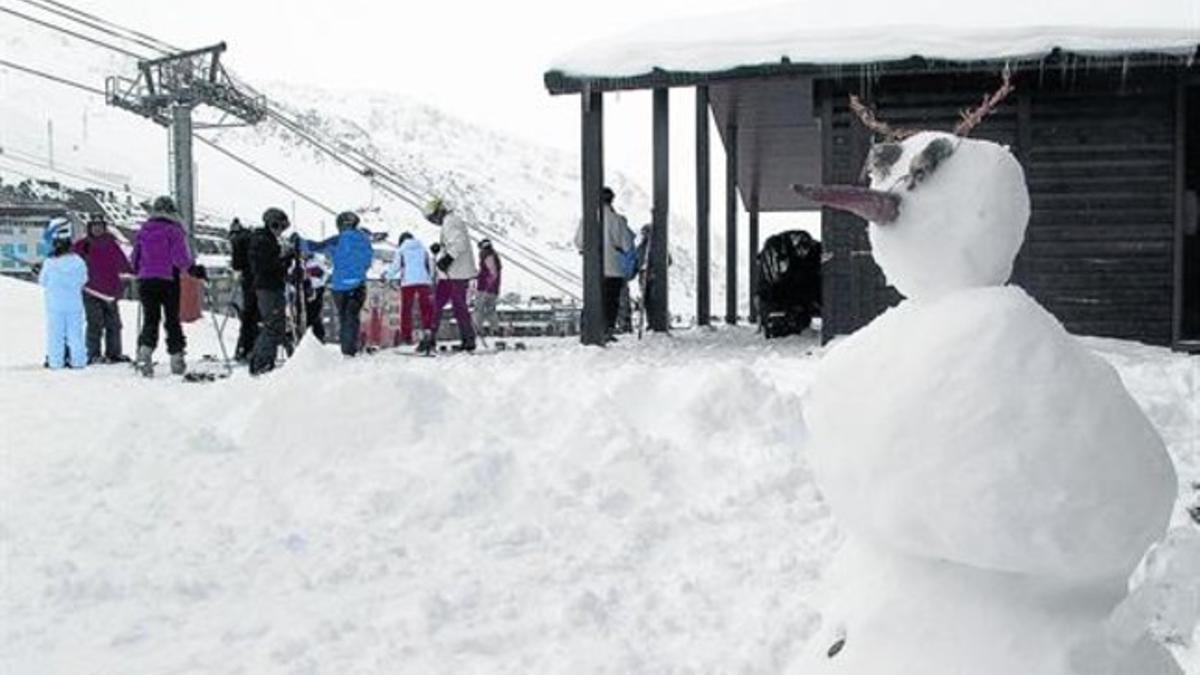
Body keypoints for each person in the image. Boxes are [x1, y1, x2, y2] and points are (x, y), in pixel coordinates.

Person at [131, 196, 199, 376]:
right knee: (172, 320)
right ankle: (177, 358)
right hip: (168, 280)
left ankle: (144, 354)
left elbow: (134, 258)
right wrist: (192, 268)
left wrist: (139, 271)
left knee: (150, 319)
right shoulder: (174, 230)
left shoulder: (143, 230)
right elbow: (180, 258)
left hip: (146, 280)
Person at [300, 211, 374, 356]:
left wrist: (298, 241)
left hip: (339, 286)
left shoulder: (336, 240)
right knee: (352, 318)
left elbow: (314, 246)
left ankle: (347, 348)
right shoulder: (365, 240)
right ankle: (350, 350)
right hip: (358, 285)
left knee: (343, 317)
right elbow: (367, 262)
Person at [574, 186, 634, 341]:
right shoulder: (618, 220)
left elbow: (579, 242)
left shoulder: (587, 219)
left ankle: (588, 329)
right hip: (613, 269)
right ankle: (607, 329)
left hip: (593, 269)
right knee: (610, 301)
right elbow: (627, 245)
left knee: (592, 300)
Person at [73, 215, 133, 363]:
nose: (97, 228)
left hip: (110, 291)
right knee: (95, 323)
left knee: (114, 324)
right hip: (90, 290)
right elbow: (69, 261)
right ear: (90, 227)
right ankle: (93, 354)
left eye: (100, 225)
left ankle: (114, 353)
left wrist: (136, 272)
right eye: (94, 225)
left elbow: (123, 263)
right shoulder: (82, 245)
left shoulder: (112, 244)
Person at [421, 197, 477, 354]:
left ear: (438, 212)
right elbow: (454, 243)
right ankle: (468, 340)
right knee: (457, 308)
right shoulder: (451, 221)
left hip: (454, 274)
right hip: (454, 274)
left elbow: (459, 244)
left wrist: (447, 259)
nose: (433, 221)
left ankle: (430, 340)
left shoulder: (450, 222)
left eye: (433, 218)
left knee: (439, 306)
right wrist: (441, 248)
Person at [247, 207, 294, 375]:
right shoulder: (264, 241)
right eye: (280, 226)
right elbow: (269, 266)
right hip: (269, 287)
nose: (281, 231)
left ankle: (263, 360)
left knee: (274, 324)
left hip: (267, 286)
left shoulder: (263, 239)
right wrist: (285, 260)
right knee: (273, 325)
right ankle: (262, 363)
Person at [39, 217, 87, 370]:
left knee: (56, 334)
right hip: (74, 304)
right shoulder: (78, 261)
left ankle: (55, 362)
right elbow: (84, 280)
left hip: (55, 304)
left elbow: (43, 281)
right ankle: (78, 361)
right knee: (75, 334)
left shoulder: (49, 262)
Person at [385, 231, 434, 345]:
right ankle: (427, 331)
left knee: (406, 309)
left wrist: (387, 276)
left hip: (408, 283)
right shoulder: (423, 248)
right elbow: (429, 265)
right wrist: (430, 279)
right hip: (423, 282)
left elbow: (395, 266)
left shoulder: (401, 250)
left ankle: (406, 336)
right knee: (425, 308)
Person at [228, 217, 259, 362]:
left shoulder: (237, 240)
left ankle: (245, 348)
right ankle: (254, 348)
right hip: (262, 280)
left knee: (248, 315)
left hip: (249, 280)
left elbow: (237, 264)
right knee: (258, 314)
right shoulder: (252, 237)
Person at [474, 238, 502, 336]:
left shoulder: (487, 255)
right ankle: (495, 329)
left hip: (484, 288)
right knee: (490, 310)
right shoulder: (494, 255)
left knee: (479, 309)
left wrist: (487, 285)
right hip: (494, 289)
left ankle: (477, 330)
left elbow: (492, 272)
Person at [303, 253, 328, 343]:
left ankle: (316, 339)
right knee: (312, 316)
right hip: (305, 289)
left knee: (313, 316)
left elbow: (322, 274)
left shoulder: (318, 258)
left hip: (314, 289)